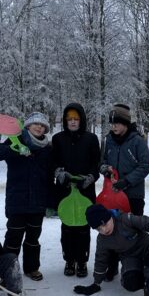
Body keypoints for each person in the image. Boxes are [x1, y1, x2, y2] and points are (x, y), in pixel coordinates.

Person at [0, 111, 54, 280]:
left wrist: (50, 202)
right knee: (13, 238)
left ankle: (32, 268)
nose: (39, 127)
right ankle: (7, 270)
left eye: (42, 125)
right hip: (17, 201)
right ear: (28, 126)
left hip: (38, 202)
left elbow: (49, 177)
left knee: (33, 238)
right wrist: (13, 149)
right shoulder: (16, 140)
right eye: (35, 124)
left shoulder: (47, 148)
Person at [51, 103, 101, 277]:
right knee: (67, 227)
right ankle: (69, 260)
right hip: (65, 190)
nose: (72, 122)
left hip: (85, 190)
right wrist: (59, 172)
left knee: (83, 227)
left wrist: (90, 178)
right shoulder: (58, 139)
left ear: (82, 120)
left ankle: (82, 261)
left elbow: (97, 165)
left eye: (76, 119)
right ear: (65, 120)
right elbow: (53, 162)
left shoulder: (91, 139)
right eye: (69, 119)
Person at [73, 204, 149, 295]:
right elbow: (100, 260)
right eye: (99, 229)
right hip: (129, 256)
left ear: (109, 216)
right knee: (131, 283)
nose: (104, 230)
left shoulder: (125, 219)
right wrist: (96, 283)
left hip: (146, 248)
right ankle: (144, 281)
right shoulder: (102, 239)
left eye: (105, 224)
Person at [100, 104, 149, 217]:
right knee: (113, 229)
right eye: (112, 124)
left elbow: (146, 165)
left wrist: (127, 181)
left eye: (117, 123)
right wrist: (105, 169)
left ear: (125, 123)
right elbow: (102, 161)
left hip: (133, 196)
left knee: (133, 230)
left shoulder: (137, 141)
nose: (113, 127)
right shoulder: (108, 140)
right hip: (112, 194)